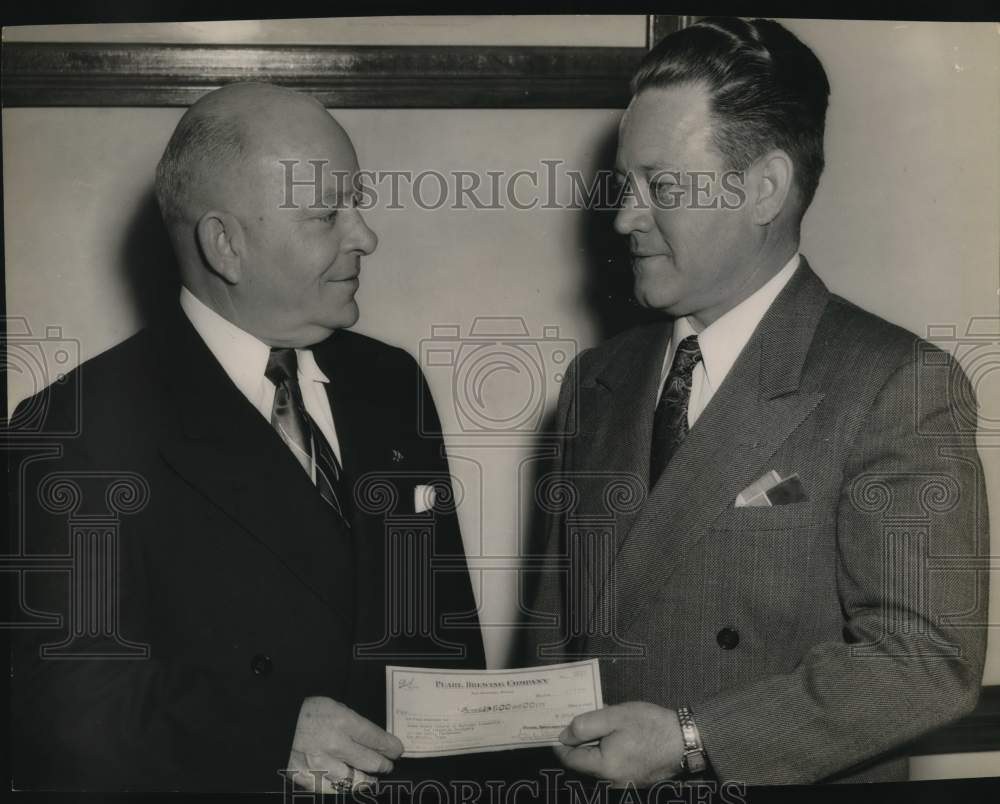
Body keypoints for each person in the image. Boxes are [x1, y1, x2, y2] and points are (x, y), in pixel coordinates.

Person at [522, 17, 988, 786]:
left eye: (661, 187)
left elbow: (924, 661)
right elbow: (553, 646)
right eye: (624, 186)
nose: (624, 218)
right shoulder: (594, 383)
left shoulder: (895, 384)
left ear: (763, 188)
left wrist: (691, 739)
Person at [10, 82, 485, 792]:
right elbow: (65, 714)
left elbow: (449, 646)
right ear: (226, 244)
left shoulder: (393, 385)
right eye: (328, 214)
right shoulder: (73, 427)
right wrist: (272, 730)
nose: (365, 236)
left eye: (356, 205)